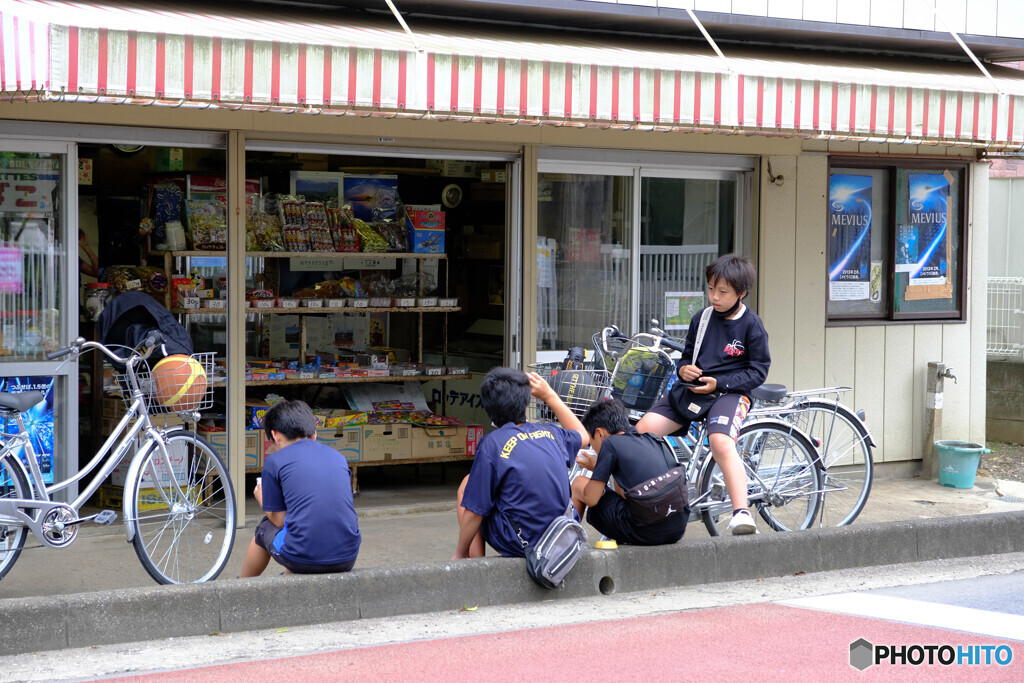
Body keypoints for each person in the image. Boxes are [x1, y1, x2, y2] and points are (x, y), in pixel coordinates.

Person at [636, 253, 771, 535]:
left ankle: (741, 513)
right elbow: (687, 358)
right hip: (693, 392)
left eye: (722, 291)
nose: (714, 297)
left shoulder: (752, 325)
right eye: (711, 288)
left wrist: (719, 383)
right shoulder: (701, 319)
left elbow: (758, 372)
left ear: (742, 293)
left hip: (731, 394)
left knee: (720, 442)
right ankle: (643, 504)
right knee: (642, 433)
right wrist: (684, 369)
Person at [454, 367, 590, 559]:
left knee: (468, 486)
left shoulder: (492, 443)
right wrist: (550, 396)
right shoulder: (552, 432)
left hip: (522, 543)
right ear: (526, 405)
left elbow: (477, 509)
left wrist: (458, 554)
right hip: (562, 535)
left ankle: (473, 561)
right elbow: (583, 436)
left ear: (488, 409)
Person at [240, 400, 361, 577]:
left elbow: (279, 521)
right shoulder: (339, 457)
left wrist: (262, 500)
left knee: (265, 528)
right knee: (304, 524)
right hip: (348, 557)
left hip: (302, 558)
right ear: (314, 434)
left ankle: (243, 585)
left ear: (275, 435)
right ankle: (290, 575)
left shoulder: (274, 461)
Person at [571, 398, 686, 545]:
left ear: (600, 433)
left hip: (644, 533)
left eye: (592, 443)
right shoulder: (650, 438)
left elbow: (591, 499)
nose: (593, 449)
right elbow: (626, 494)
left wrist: (597, 468)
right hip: (677, 529)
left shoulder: (609, 443)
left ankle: (567, 544)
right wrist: (602, 468)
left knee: (579, 483)